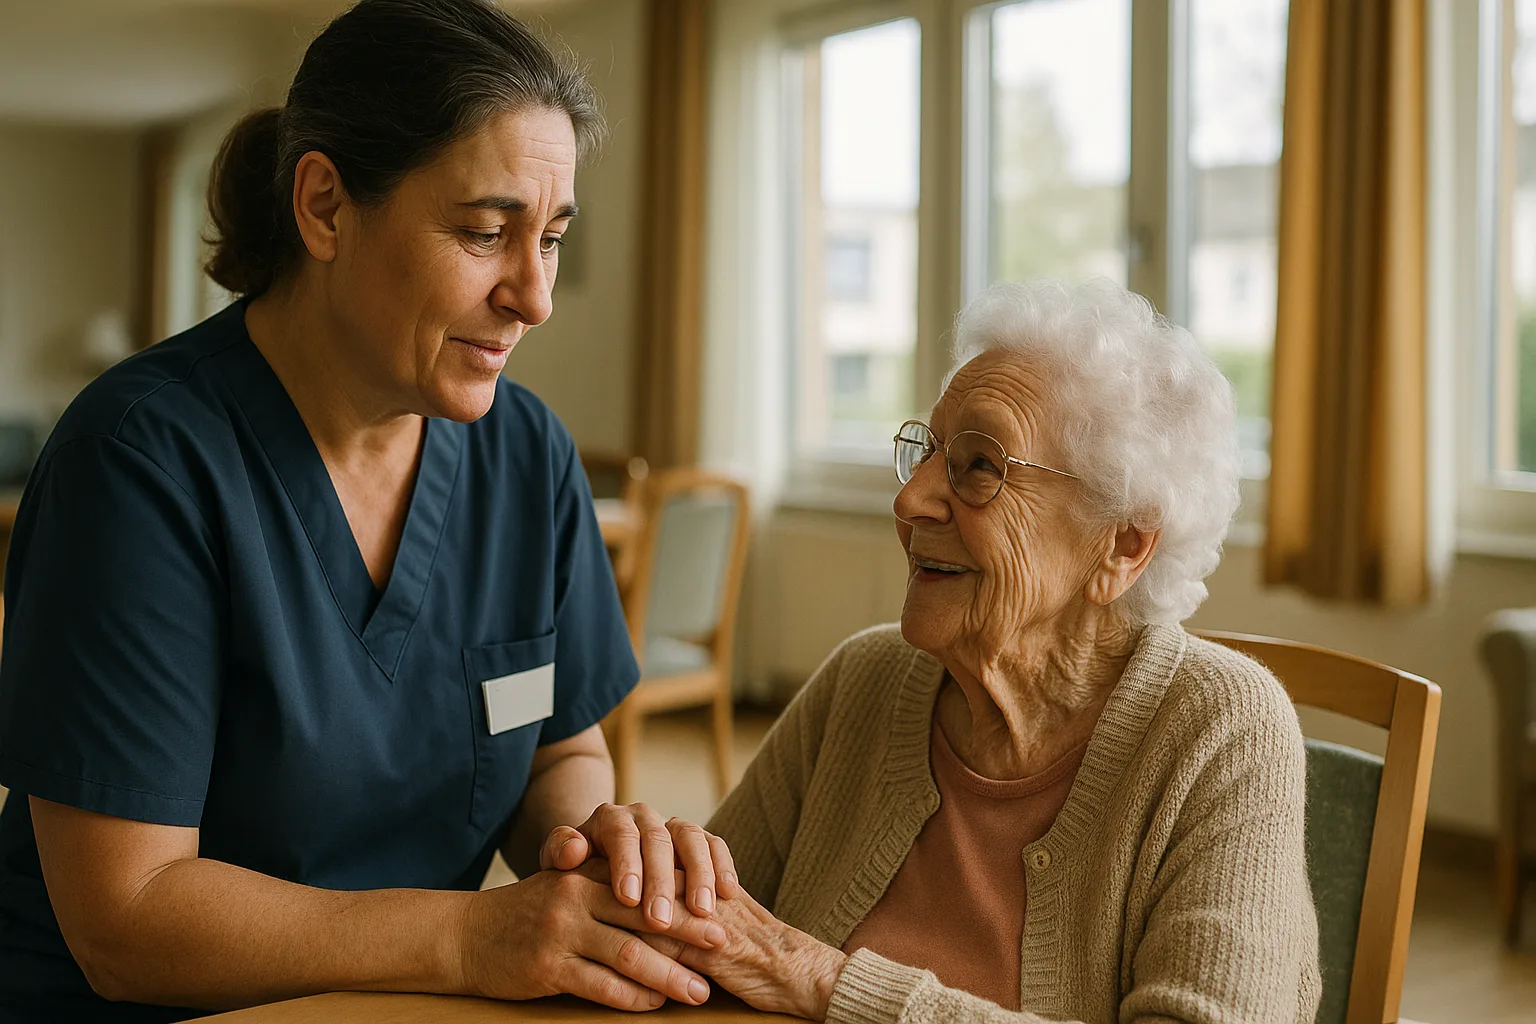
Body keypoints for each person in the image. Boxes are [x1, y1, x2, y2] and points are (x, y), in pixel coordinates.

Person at [0, 2, 734, 1019]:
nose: (534, 296)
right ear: (325, 208)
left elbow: (560, 746)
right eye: (485, 232)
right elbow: (127, 918)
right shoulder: (139, 461)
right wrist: (472, 936)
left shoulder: (527, 456)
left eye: (552, 239)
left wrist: (593, 846)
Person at [643, 278, 1321, 1023]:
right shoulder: (864, 681)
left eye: (979, 467)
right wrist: (633, 881)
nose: (910, 501)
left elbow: (779, 962)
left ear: (1123, 544)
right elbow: (702, 932)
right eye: (928, 452)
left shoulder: (1224, 731)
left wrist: (828, 983)